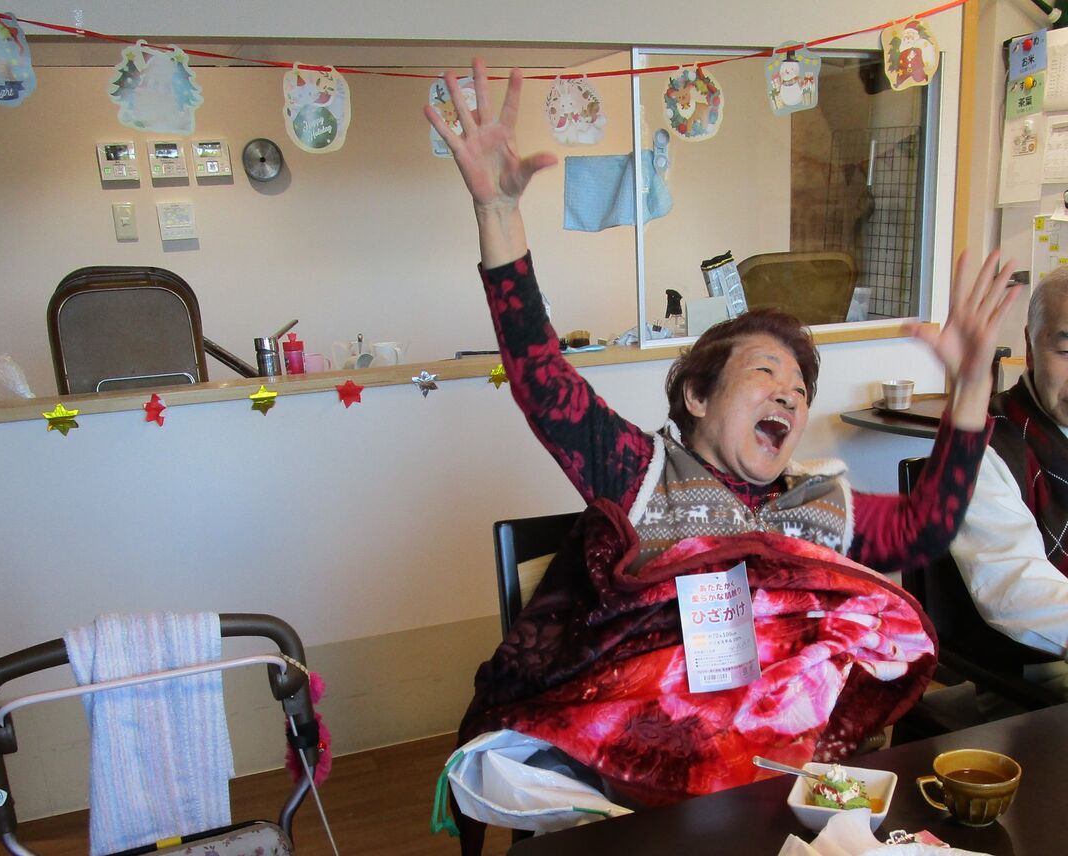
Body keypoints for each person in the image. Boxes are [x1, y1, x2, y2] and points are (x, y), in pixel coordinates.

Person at [425, 60, 1022, 851]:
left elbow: (926, 527)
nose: (790, 396)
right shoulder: (646, 477)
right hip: (635, 777)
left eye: (801, 389)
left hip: (769, 779)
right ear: (699, 396)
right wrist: (499, 213)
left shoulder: (818, 506)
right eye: (765, 373)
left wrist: (973, 386)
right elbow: (543, 378)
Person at [949, 267, 1068, 703]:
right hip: (1036, 678)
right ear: (1030, 350)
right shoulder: (983, 447)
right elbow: (1016, 587)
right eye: (1066, 350)